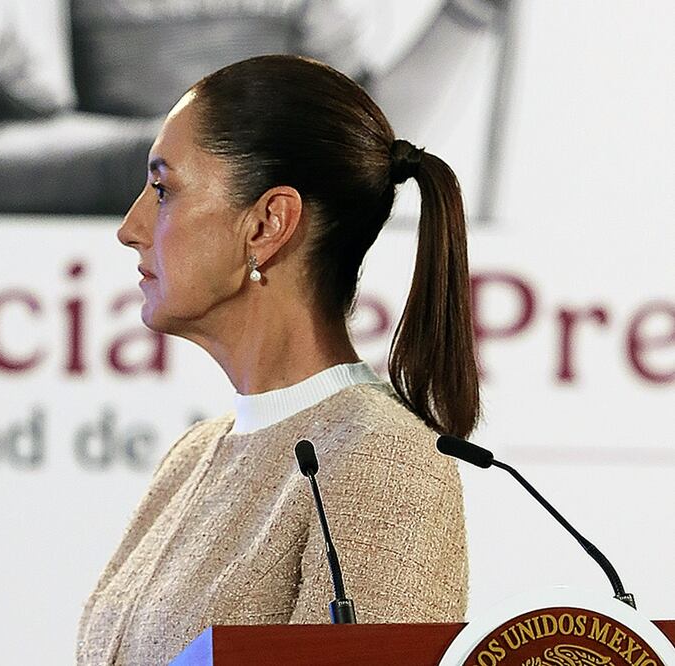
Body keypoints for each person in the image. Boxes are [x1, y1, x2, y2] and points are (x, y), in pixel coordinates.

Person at [75, 54, 480, 665]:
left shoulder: (383, 463)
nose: (130, 228)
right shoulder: (190, 458)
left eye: (163, 189)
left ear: (267, 224)